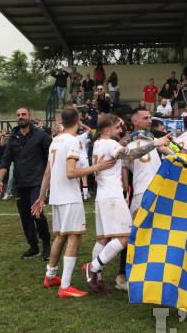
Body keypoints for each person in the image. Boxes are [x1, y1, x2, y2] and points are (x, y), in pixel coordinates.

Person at [31, 107, 115, 298]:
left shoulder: (55, 140)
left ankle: (50, 275)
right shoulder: (73, 141)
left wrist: (42, 196)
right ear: (78, 119)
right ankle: (65, 286)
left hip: (57, 197)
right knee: (75, 236)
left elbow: (47, 172)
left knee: (61, 236)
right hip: (69, 197)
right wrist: (98, 167)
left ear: (61, 120)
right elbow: (71, 173)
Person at [83, 115, 171, 293]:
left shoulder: (99, 144)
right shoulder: (110, 144)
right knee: (126, 237)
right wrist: (155, 143)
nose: (121, 131)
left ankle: (96, 279)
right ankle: (93, 268)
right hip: (112, 196)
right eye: (117, 127)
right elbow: (131, 153)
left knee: (103, 239)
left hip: (102, 195)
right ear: (107, 130)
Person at [116, 108, 172, 290]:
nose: (149, 120)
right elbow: (124, 169)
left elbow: (172, 154)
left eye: (150, 117)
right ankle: (125, 273)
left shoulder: (153, 139)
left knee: (157, 234)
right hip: (141, 194)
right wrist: (125, 192)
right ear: (135, 121)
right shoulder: (127, 145)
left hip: (158, 192)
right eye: (145, 118)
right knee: (135, 236)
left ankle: (151, 273)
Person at [0, 107, 53, 260]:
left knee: (38, 214)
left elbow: (52, 157)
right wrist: (0, 180)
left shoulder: (41, 135)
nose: (21, 117)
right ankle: (33, 247)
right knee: (25, 216)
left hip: (37, 181)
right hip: (20, 183)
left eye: (23, 114)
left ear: (30, 117)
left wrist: (50, 179)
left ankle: (47, 245)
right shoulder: (13, 137)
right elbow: (6, 160)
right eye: (18, 115)